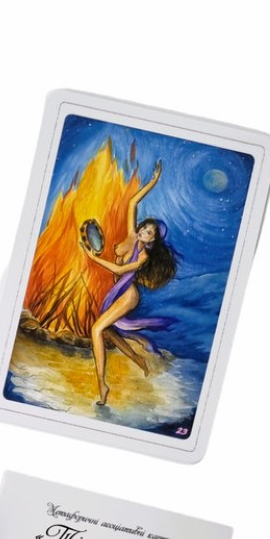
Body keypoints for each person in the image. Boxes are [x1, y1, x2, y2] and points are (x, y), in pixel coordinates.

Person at [80, 160, 177, 405]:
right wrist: (153, 182)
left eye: (149, 232)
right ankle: (137, 358)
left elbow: (119, 269)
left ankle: (102, 385)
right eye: (144, 227)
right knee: (108, 331)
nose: (144, 231)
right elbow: (133, 202)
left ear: (153, 241)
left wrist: (92, 258)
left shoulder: (143, 257)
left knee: (96, 330)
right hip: (116, 292)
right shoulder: (132, 235)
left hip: (127, 295)